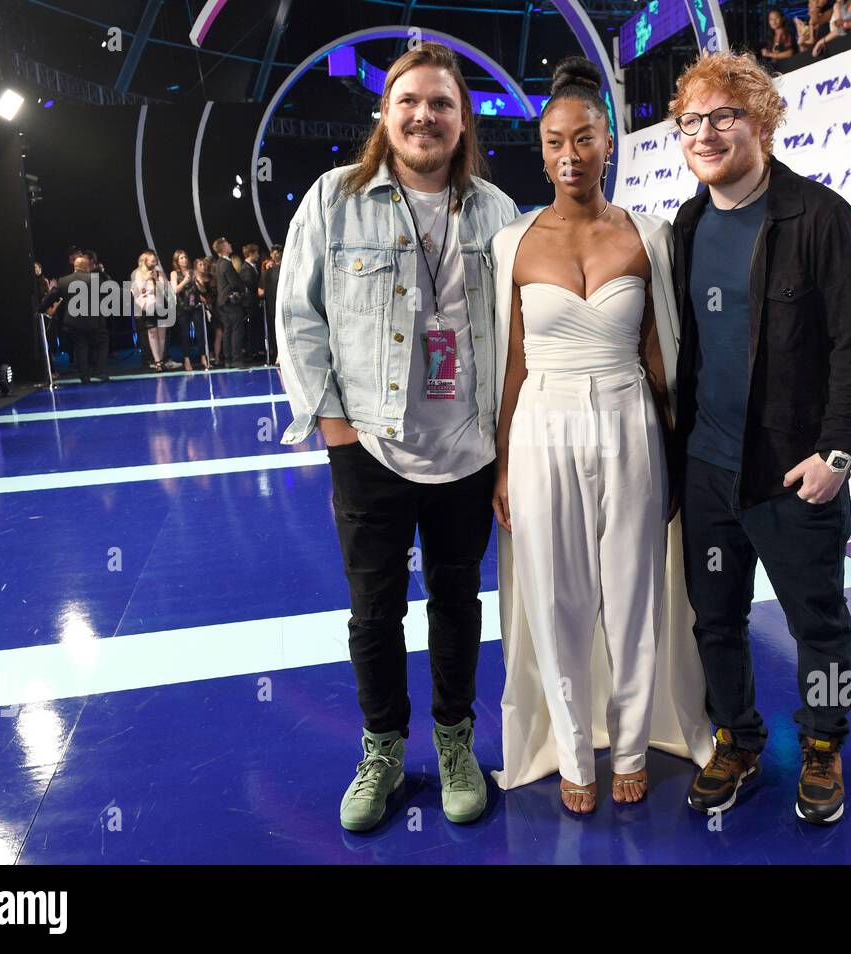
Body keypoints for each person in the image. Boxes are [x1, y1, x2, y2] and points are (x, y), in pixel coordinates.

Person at [277, 41, 519, 832]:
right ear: (385, 112)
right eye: (409, 100)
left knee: (457, 600)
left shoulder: (495, 211)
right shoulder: (332, 200)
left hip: (465, 448)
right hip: (370, 447)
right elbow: (298, 320)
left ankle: (455, 740)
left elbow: (519, 334)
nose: (424, 115)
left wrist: (509, 443)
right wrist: (337, 429)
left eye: (441, 103)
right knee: (372, 611)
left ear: (461, 119)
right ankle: (382, 746)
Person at [490, 57, 713, 815]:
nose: (569, 156)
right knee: (554, 597)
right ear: (542, 147)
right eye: (555, 141)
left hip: (631, 421)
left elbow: (661, 355)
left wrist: (674, 451)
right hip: (540, 425)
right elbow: (512, 363)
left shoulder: (650, 236)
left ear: (607, 141)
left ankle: (628, 744)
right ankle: (571, 749)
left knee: (633, 591)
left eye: (583, 139)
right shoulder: (512, 244)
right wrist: (498, 468)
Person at [666, 51, 851, 824]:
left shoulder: (822, 220)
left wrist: (837, 455)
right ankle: (738, 738)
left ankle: (824, 746)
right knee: (714, 619)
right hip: (706, 467)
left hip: (794, 474)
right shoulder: (687, 226)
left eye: (723, 116)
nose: (705, 133)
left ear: (761, 122)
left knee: (816, 621)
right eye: (690, 120)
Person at [40, 254, 109, 384]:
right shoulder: (94, 279)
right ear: (86, 266)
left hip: (74, 321)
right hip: (93, 320)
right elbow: (106, 294)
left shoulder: (64, 281)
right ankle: (99, 372)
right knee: (100, 345)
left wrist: (40, 309)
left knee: (81, 348)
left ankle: (84, 377)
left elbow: (52, 296)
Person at [132, 251, 179, 372]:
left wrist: (156, 279)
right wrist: (146, 279)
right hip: (148, 307)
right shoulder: (138, 274)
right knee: (152, 333)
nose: (154, 263)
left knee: (162, 334)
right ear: (145, 261)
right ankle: (157, 361)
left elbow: (166, 290)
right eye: (152, 260)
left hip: (160, 306)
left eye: (155, 260)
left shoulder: (159, 273)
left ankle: (162, 359)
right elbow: (136, 291)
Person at [169, 249, 209, 371]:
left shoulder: (193, 272)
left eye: (185, 257)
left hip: (195, 306)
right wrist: (185, 280)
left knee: (200, 332)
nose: (184, 260)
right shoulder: (174, 273)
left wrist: (198, 283)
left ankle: (203, 356)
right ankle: (187, 359)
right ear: (177, 260)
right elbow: (174, 290)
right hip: (182, 307)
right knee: (185, 334)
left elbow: (202, 291)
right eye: (181, 258)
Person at [212, 237, 246, 368]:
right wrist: (243, 288)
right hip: (230, 302)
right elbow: (234, 282)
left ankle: (229, 359)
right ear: (223, 248)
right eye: (227, 244)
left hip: (223, 303)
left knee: (228, 330)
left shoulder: (220, 263)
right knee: (236, 330)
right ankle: (236, 359)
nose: (230, 245)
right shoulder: (225, 263)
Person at [260, 245, 282, 364]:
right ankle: (278, 354)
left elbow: (260, 292)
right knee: (276, 331)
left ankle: (278, 354)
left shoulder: (269, 272)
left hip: (276, 306)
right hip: (274, 306)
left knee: (277, 331)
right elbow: (261, 291)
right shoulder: (268, 272)